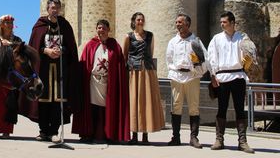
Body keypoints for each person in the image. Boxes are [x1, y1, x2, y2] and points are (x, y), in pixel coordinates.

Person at [19, 0, 79, 143]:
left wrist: (62, 50)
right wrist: (45, 50)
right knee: (43, 99)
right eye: (53, 7)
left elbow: (70, 47)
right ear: (48, 9)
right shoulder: (40, 25)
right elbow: (33, 46)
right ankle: (43, 131)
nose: (55, 10)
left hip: (60, 70)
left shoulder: (64, 25)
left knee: (57, 101)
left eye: (57, 8)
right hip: (43, 69)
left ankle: (54, 132)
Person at [72, 19, 129, 144]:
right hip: (93, 82)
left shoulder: (115, 45)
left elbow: (119, 65)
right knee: (92, 108)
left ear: (108, 30)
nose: (101, 30)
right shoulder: (90, 45)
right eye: (99, 28)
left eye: (103, 28)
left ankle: (108, 134)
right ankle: (89, 134)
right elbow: (84, 63)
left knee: (107, 109)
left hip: (109, 83)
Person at [208, 11, 255, 153]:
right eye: (221, 22)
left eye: (225, 22)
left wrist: (248, 61)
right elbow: (211, 57)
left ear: (233, 23)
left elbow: (249, 55)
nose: (222, 24)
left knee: (240, 109)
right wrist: (213, 75)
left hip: (238, 76)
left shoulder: (242, 38)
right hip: (222, 77)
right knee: (221, 108)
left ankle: (242, 142)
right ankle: (219, 140)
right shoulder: (217, 39)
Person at [165, 14, 208, 148]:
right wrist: (174, 70)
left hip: (192, 76)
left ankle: (193, 138)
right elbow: (169, 59)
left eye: (180, 22)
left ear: (187, 24)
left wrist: (197, 68)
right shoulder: (172, 42)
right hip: (177, 77)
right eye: (176, 22)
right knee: (176, 106)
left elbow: (205, 59)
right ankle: (176, 137)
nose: (177, 24)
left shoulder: (195, 41)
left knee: (194, 107)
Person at [123, 12, 165, 145]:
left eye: (142, 20)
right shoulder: (128, 37)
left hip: (148, 72)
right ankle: (134, 135)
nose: (140, 22)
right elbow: (125, 56)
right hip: (133, 72)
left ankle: (145, 135)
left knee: (147, 101)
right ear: (134, 21)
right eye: (138, 20)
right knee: (134, 102)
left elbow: (150, 53)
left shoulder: (150, 36)